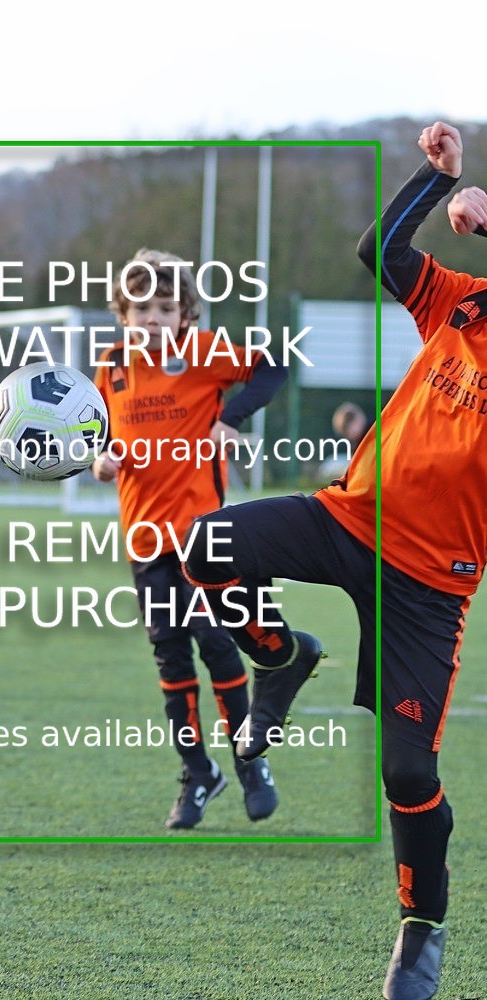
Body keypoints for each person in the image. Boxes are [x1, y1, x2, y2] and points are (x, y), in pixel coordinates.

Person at [183, 122, 483, 999]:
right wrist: (440, 182)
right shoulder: (462, 302)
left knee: (408, 772)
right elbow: (380, 249)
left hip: (431, 587)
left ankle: (420, 930)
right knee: (208, 546)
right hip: (350, 520)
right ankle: (280, 658)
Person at [91, 248, 287, 829]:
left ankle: (249, 761)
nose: (151, 317)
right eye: (140, 307)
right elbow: (99, 433)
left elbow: (273, 366)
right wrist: (100, 459)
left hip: (202, 536)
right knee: (170, 657)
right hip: (144, 541)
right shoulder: (112, 366)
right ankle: (197, 771)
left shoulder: (201, 353)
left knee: (216, 641)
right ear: (122, 314)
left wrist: (234, 416)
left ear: (185, 316)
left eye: (165, 306)